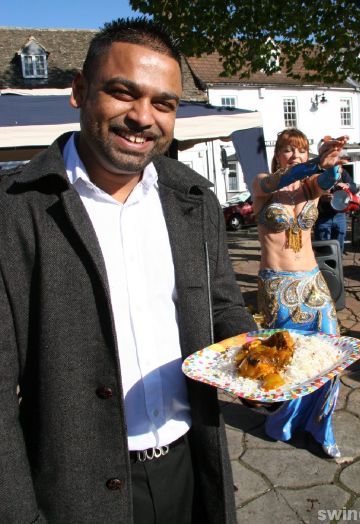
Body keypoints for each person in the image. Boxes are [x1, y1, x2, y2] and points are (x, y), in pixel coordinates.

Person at [0, 18, 257, 524]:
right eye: (123, 93)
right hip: (72, 489)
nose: (144, 117)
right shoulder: (15, 212)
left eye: (164, 103)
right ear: (78, 91)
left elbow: (221, 303)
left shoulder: (194, 197)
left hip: (191, 464)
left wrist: (263, 369)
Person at [251, 128, 348, 458]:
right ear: (278, 155)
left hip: (313, 282)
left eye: (301, 151)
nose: (295, 155)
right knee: (290, 357)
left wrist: (331, 165)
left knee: (330, 352)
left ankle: (321, 426)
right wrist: (314, 164)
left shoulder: (310, 188)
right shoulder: (263, 183)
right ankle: (284, 422)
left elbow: (326, 181)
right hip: (278, 285)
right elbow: (281, 180)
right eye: (288, 150)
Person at [314, 162, 357, 253]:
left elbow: (354, 188)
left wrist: (347, 185)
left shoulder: (342, 173)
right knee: (323, 248)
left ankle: (338, 265)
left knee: (338, 246)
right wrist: (321, 198)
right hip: (323, 216)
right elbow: (310, 194)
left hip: (339, 215)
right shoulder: (317, 173)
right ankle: (325, 266)